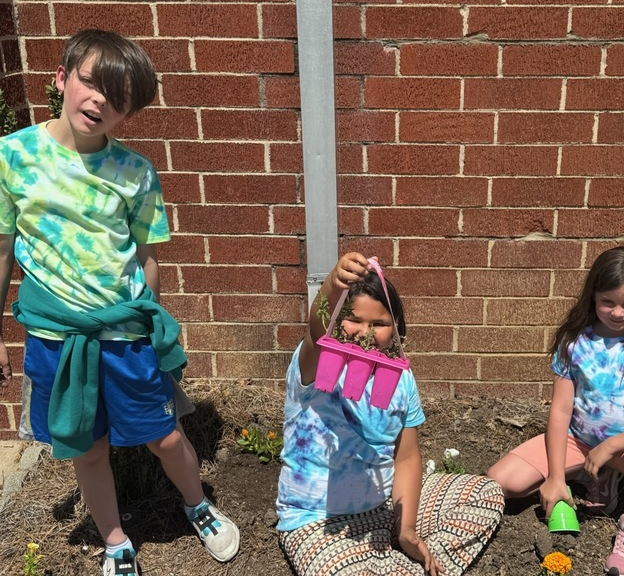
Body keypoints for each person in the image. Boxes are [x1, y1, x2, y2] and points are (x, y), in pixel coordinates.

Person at [0, 29, 239, 576]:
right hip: (56, 337)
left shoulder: (135, 173)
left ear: (128, 112)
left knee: (164, 434)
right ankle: (114, 540)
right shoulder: (11, 158)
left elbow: (147, 258)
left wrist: (151, 330)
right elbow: (3, 247)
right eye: (90, 81)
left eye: (118, 97)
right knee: (87, 448)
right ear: (60, 78)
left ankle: (198, 505)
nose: (100, 100)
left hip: (124, 334)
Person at [277, 252, 505, 575]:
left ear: (395, 325)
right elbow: (316, 331)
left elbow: (407, 458)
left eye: (379, 324)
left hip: (384, 507)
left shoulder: (401, 379)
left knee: (486, 494)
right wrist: (331, 284)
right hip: (314, 520)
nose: (366, 332)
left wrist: (407, 528)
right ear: (336, 319)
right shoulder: (318, 364)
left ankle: (405, 559)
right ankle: (395, 567)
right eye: (354, 319)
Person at [487, 246, 624, 576]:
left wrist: (611, 446)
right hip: (579, 440)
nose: (617, 313)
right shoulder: (575, 342)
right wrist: (555, 478)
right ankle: (586, 473)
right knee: (501, 482)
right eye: (608, 302)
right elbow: (560, 411)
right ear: (593, 296)